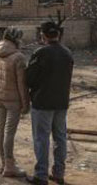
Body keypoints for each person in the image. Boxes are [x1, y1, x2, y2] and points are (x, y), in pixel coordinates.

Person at [25, 21, 74, 185]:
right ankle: (59, 173)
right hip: (61, 102)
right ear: (58, 34)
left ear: (42, 35)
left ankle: (41, 175)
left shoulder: (40, 53)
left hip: (42, 102)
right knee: (60, 137)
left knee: (42, 138)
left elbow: (29, 79)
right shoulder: (67, 53)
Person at [0, 26, 29, 177]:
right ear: (16, 38)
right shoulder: (18, 57)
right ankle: (10, 166)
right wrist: (25, 104)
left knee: (0, 130)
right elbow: (22, 84)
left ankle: (3, 163)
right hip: (13, 100)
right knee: (9, 133)